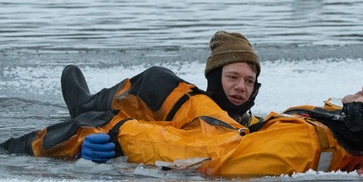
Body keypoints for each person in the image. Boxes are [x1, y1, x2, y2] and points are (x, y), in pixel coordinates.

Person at [0, 83, 363, 178]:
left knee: (103, 127)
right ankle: (90, 98)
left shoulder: (301, 146)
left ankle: (3, 151)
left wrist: (128, 142)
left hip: (209, 146)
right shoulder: (339, 124)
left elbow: (214, 164)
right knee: (161, 84)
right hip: (230, 129)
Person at [60, 30, 262, 127]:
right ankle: (86, 106)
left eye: (249, 81)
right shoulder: (192, 112)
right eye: (232, 77)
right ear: (216, 78)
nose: (240, 87)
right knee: (157, 79)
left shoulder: (252, 124)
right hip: (149, 104)